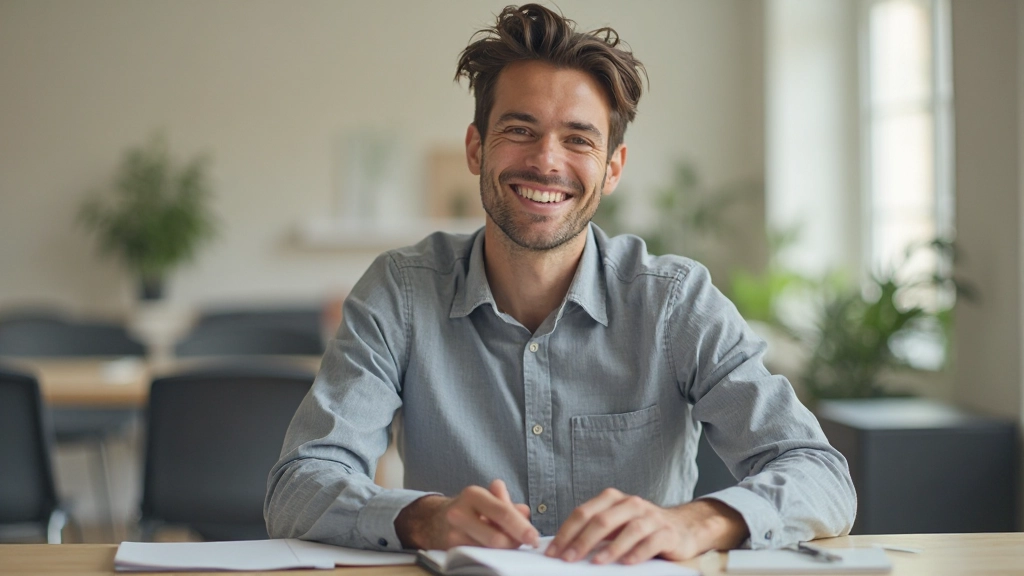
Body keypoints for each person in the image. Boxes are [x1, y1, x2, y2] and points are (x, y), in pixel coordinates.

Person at [266, 4, 856, 565]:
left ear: (613, 168)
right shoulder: (399, 292)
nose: (547, 161)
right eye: (520, 130)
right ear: (476, 149)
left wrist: (694, 523)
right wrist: (423, 519)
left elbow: (820, 475)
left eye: (578, 138)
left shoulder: (675, 302)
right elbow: (298, 485)